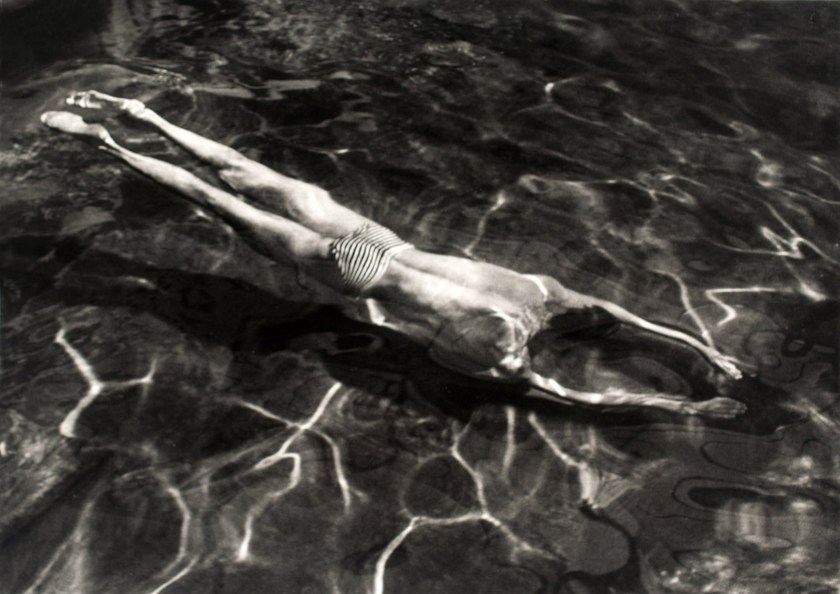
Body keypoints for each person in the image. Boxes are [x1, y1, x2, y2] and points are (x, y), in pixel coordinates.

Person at [41, 90, 746, 419]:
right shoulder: (500, 357)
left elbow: (626, 321)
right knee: (222, 204)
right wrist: (679, 405)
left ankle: (143, 117)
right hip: (362, 272)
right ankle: (105, 141)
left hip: (380, 240)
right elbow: (580, 396)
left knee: (255, 178)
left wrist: (703, 350)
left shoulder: (543, 293)